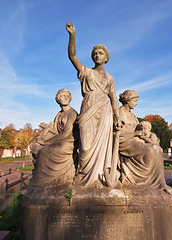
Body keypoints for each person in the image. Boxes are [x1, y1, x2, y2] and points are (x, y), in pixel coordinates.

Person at [66, 22, 120, 187]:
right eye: (95, 53)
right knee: (86, 146)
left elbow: (114, 98)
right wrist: (72, 35)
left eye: (100, 53)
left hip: (104, 112)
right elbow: (72, 57)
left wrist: (117, 117)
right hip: (88, 109)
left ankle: (99, 177)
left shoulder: (109, 78)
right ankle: (84, 176)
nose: (97, 54)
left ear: (106, 58)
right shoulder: (86, 72)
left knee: (103, 148)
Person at [118, 90, 172, 195]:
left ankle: (160, 183)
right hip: (124, 143)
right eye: (134, 100)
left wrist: (149, 135)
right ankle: (153, 183)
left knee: (157, 148)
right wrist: (135, 134)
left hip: (135, 140)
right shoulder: (120, 114)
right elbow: (118, 136)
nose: (136, 103)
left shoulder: (132, 115)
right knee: (151, 150)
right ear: (127, 100)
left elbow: (140, 130)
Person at [30, 89, 78, 187]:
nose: (65, 97)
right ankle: (40, 180)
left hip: (69, 142)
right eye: (62, 95)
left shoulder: (72, 113)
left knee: (44, 152)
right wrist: (40, 139)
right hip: (60, 140)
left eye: (67, 95)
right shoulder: (59, 114)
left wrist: (46, 142)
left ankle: (43, 182)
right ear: (58, 100)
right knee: (37, 147)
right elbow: (55, 131)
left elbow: (66, 133)